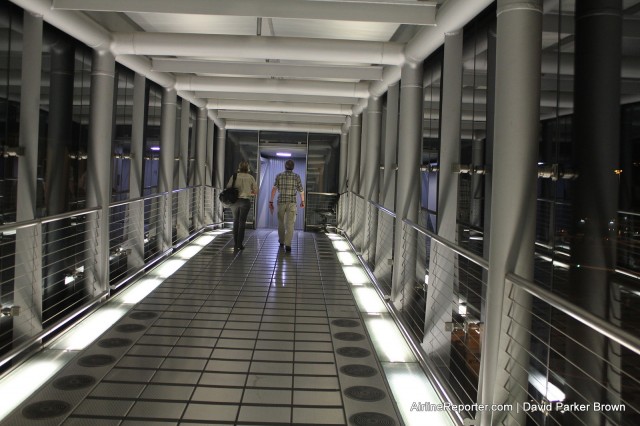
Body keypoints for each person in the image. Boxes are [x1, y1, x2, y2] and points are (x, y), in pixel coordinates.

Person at [269, 159, 305, 252]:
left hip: (281, 202)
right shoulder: (297, 177)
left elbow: (274, 190)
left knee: (281, 222)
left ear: (285, 166)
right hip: (292, 203)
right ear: (293, 167)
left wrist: (271, 202)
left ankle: (281, 241)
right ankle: (288, 244)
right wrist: (302, 201)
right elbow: (301, 191)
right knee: (290, 224)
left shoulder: (279, 176)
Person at [226, 161, 257, 251]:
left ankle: (235, 243)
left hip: (234, 201)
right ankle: (240, 244)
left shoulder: (234, 176)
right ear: (248, 168)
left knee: (235, 221)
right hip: (245, 201)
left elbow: (228, 187)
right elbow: (255, 191)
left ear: (239, 168)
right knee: (242, 222)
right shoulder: (251, 177)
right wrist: (249, 192)